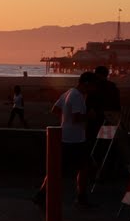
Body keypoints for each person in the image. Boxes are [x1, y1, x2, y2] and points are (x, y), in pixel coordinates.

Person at [34, 71, 95, 207]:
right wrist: (90, 116)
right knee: (84, 168)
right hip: (75, 140)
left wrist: (65, 120)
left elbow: (55, 109)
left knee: (57, 169)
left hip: (65, 137)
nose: (93, 89)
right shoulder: (77, 96)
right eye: (92, 86)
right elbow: (77, 118)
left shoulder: (68, 93)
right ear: (86, 83)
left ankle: (41, 195)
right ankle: (81, 197)